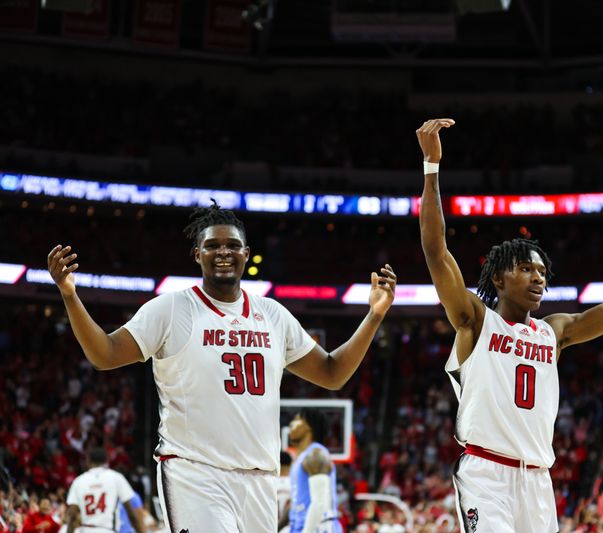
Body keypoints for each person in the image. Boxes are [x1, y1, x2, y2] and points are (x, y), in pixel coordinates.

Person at [47, 202, 397, 533]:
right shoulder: (170, 309)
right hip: (194, 473)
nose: (223, 252)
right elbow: (105, 354)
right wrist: (69, 296)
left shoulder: (273, 315)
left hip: (261, 478)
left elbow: (333, 373)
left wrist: (374, 315)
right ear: (198, 254)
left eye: (233, 245)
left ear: (246, 253)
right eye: (213, 245)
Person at [416, 118, 603, 532]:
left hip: (538, 481)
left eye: (542, 271)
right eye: (525, 269)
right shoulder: (475, 321)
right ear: (498, 279)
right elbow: (437, 254)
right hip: (486, 474)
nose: (538, 277)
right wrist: (432, 168)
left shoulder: (555, 331)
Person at [287, 409, 343, 533]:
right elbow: (297, 501)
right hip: (300, 527)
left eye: (297, 420)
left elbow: (320, 502)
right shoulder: (299, 459)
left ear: (309, 426)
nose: (291, 424)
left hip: (318, 528)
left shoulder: (316, 454)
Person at [64, 448, 144, 533]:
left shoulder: (79, 481)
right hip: (107, 529)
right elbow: (132, 515)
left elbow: (72, 515)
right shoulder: (116, 477)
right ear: (106, 460)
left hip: (86, 529)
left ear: (88, 461)